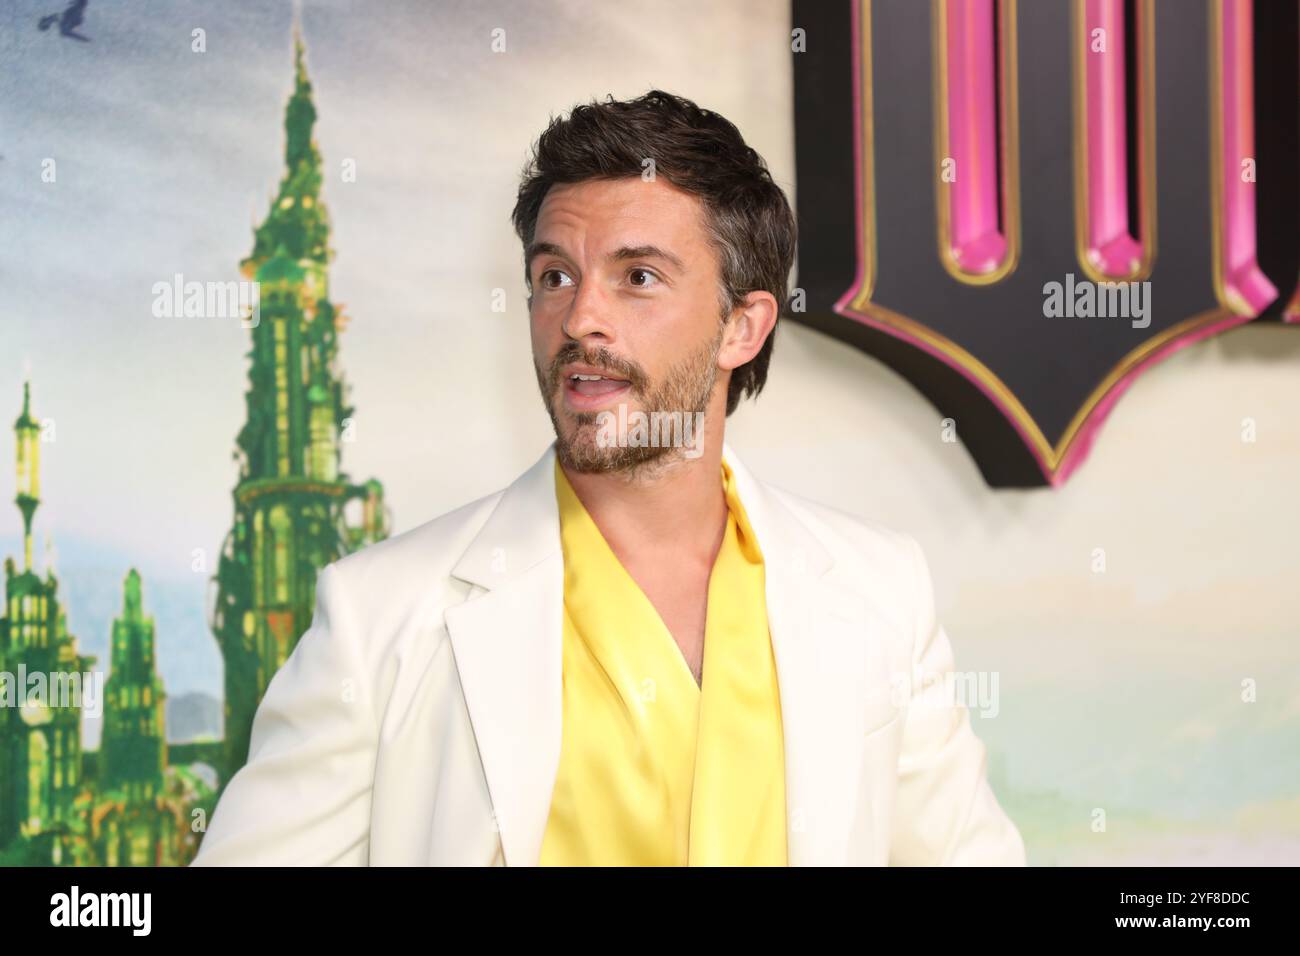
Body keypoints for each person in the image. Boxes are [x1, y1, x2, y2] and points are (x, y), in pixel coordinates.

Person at [191, 89, 1026, 867]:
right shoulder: (381, 618)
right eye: (555, 277)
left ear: (743, 325)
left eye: (638, 278)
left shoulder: (878, 593)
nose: (580, 318)